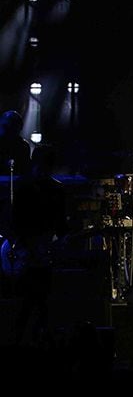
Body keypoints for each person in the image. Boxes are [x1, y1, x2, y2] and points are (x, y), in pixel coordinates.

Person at [1, 144, 68, 346]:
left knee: (34, 300)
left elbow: (60, 226)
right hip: (29, 252)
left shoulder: (48, 189)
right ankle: (36, 339)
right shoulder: (33, 188)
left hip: (35, 252)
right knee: (36, 299)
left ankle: (26, 340)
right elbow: (14, 222)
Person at [0, 110, 31, 176]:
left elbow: (25, 169)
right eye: (5, 126)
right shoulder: (23, 145)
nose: (8, 130)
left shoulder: (23, 145)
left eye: (12, 126)